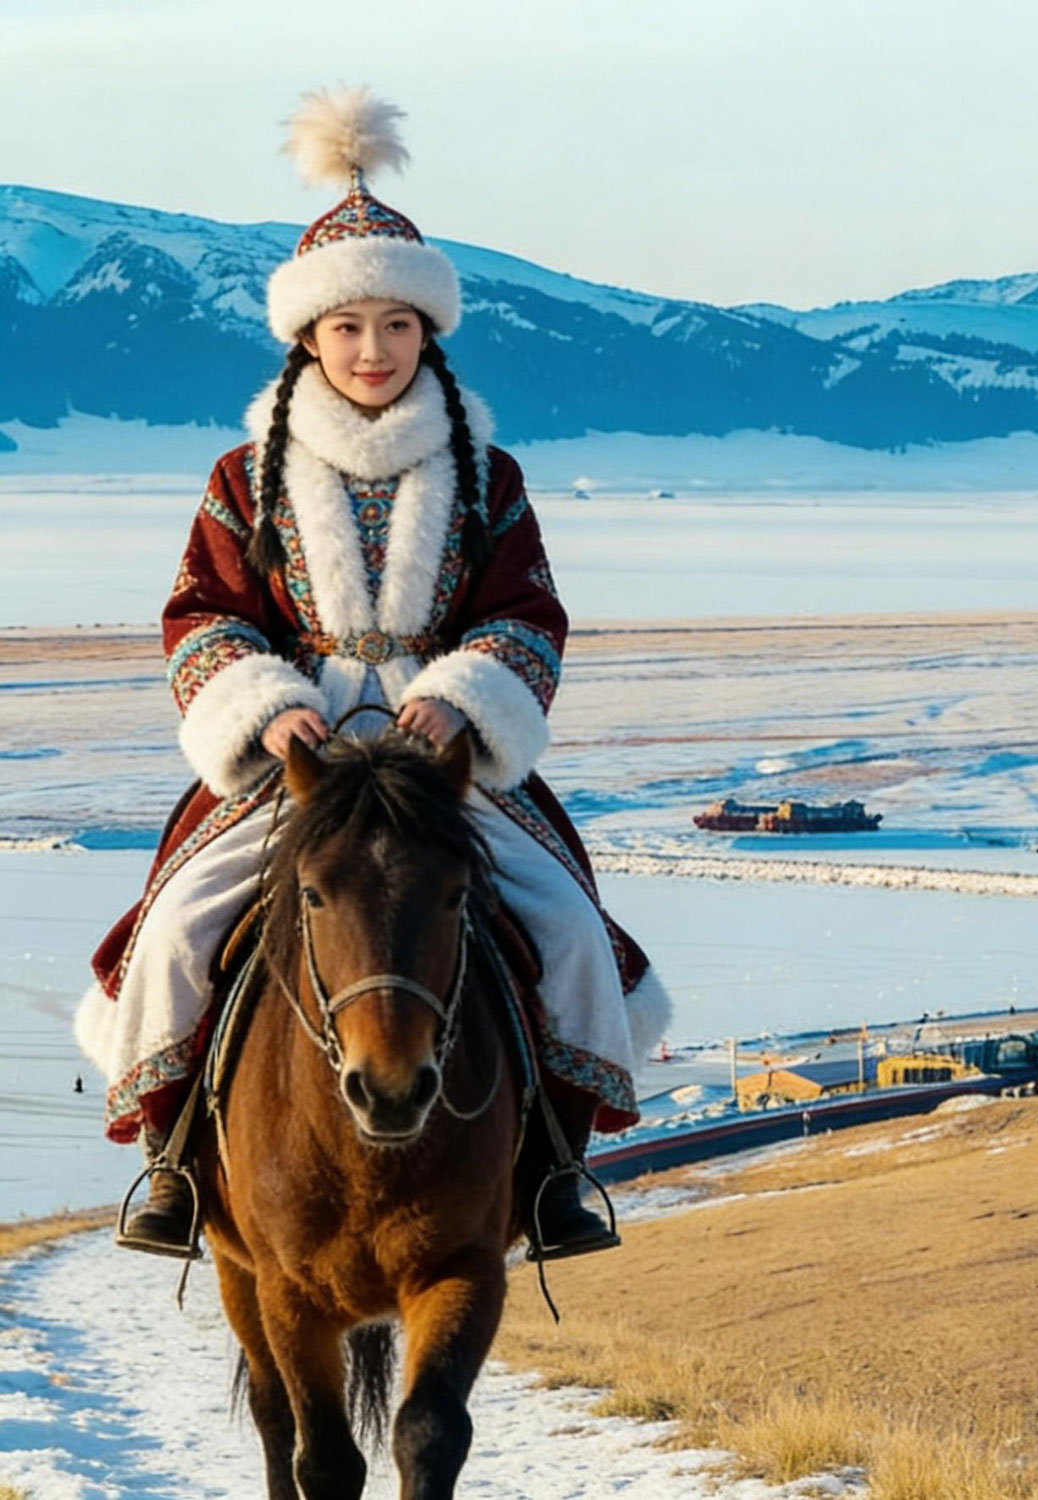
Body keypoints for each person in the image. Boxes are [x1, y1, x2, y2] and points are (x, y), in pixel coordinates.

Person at [74, 86, 669, 1259]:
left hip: (441, 753)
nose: (372, 350)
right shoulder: (241, 478)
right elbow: (202, 613)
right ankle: (172, 1166)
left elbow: (526, 611)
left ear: (426, 334)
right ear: (308, 337)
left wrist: (458, 698)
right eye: (347, 327)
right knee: (179, 929)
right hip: (295, 756)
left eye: (396, 326)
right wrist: (268, 710)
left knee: (567, 931)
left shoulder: (490, 477)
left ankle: (556, 1173)